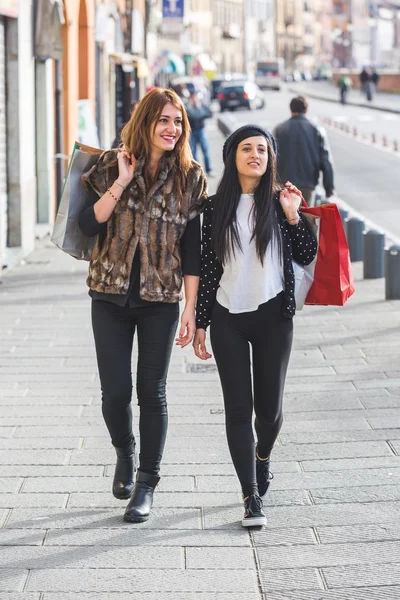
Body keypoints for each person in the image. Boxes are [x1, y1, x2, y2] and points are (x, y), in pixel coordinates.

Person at [78, 88, 207, 523]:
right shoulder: (110, 164)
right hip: (109, 294)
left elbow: (193, 250)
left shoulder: (191, 178)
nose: (172, 129)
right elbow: (85, 223)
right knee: (115, 393)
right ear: (146, 123)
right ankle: (124, 452)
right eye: (163, 120)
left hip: (161, 299)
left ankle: (147, 484)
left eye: (178, 122)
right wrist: (120, 181)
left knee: (152, 392)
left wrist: (191, 308)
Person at [193, 125, 318, 527]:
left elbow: (307, 253)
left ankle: (263, 457)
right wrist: (200, 323)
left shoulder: (282, 201)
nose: (255, 155)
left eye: (262, 149)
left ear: (270, 157)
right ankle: (250, 497)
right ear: (232, 156)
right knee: (237, 410)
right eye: (247, 148)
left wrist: (294, 215)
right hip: (228, 317)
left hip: (273, 318)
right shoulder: (213, 208)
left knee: (270, 412)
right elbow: (210, 269)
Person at [273, 96, 335, 206]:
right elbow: (326, 162)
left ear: (291, 110)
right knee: (307, 219)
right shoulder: (316, 130)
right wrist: (329, 190)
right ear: (306, 110)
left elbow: (272, 158)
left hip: (284, 185)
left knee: (284, 220)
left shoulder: (279, 129)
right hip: (308, 185)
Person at [186, 91, 214, 177]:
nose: (194, 99)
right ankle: (197, 171)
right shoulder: (187, 107)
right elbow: (192, 116)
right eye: (192, 97)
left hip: (201, 131)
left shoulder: (201, 106)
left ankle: (209, 170)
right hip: (192, 132)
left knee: (205, 151)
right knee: (193, 153)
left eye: (195, 97)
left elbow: (209, 114)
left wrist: (199, 108)